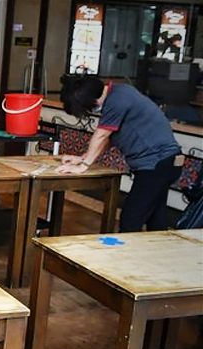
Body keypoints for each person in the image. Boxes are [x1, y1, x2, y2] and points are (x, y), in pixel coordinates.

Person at [57, 75, 182, 232]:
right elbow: (108, 139)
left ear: (89, 101)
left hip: (157, 163)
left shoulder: (117, 100)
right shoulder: (118, 94)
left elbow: (102, 134)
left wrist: (84, 166)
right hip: (164, 163)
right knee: (156, 219)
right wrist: (82, 158)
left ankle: (122, 255)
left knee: (131, 218)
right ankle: (157, 254)